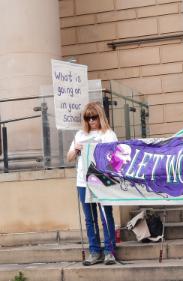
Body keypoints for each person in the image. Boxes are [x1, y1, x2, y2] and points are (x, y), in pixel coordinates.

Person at [67, 102, 118, 266]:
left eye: (93, 117)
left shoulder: (108, 134)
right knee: (90, 218)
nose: (91, 121)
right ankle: (95, 251)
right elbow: (68, 157)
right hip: (83, 181)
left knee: (105, 215)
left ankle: (109, 251)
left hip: (102, 180)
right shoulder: (80, 134)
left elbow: (116, 158)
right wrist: (76, 148)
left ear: (100, 116)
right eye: (87, 118)